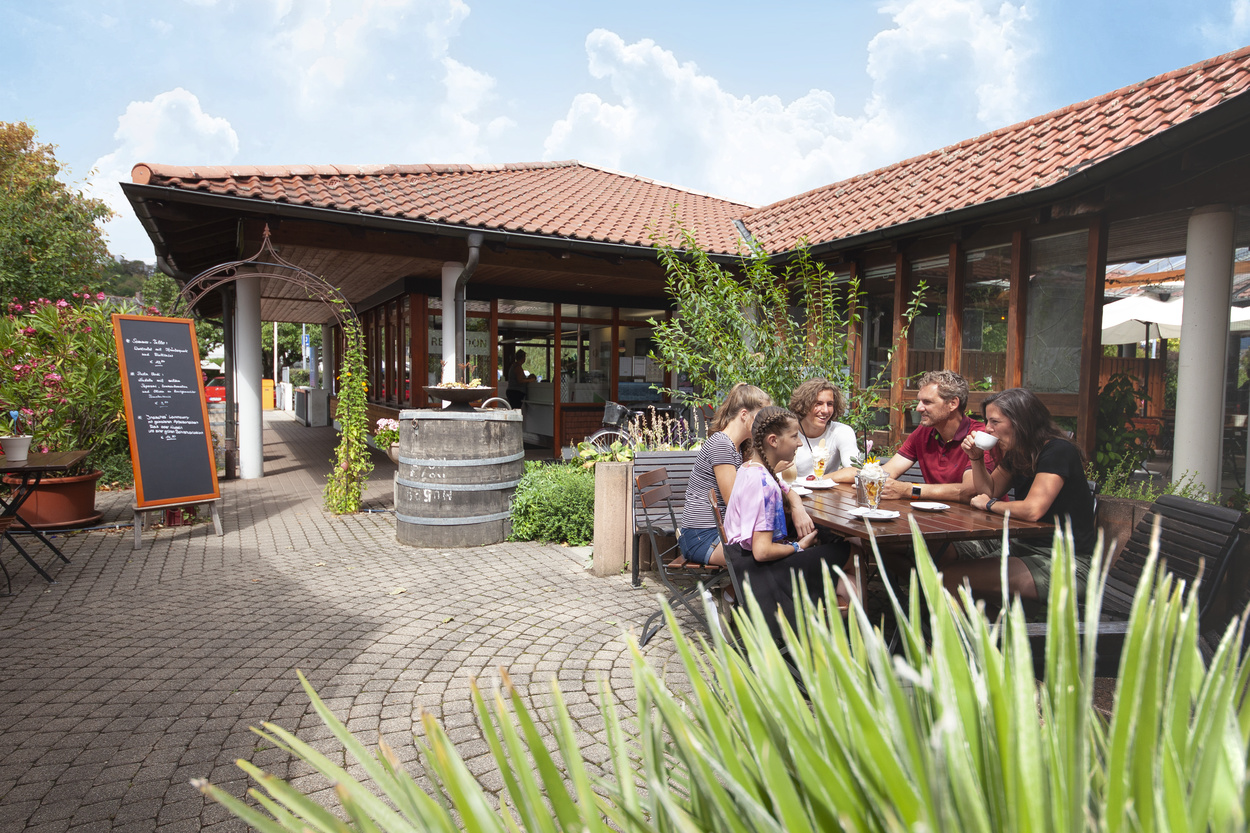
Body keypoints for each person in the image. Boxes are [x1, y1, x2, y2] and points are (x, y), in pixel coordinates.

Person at [944, 387, 1095, 603]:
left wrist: (990, 505)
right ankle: (988, 623)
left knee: (952, 577)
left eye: (995, 422)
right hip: (1024, 548)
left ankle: (971, 626)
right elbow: (989, 490)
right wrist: (976, 458)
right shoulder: (1019, 453)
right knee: (945, 569)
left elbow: (1032, 510)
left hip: (1066, 562)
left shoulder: (1058, 451)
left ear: (1021, 422)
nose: (987, 428)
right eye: (987, 421)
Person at [722, 406, 852, 638]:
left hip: (743, 565)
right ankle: (848, 638)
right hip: (762, 574)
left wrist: (796, 504)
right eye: (794, 436)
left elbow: (784, 488)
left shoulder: (748, 469)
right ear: (773, 440)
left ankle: (841, 634)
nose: (799, 443)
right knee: (849, 550)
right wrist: (798, 546)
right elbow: (762, 551)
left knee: (843, 566)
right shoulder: (765, 486)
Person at [678, 384, 816, 566]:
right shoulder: (721, 445)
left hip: (721, 532)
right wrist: (771, 471)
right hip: (703, 537)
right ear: (744, 415)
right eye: (761, 416)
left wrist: (796, 506)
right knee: (776, 556)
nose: (766, 423)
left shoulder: (737, 446)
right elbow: (734, 500)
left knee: (780, 547)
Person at [879, 370, 993, 503]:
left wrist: (908, 490)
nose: (918, 408)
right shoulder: (923, 432)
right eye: (919, 401)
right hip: (936, 513)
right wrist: (863, 474)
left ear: (953, 404)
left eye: (927, 402)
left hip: (983, 515)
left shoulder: (979, 436)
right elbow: (885, 473)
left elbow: (969, 491)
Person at [786, 378, 860, 482]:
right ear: (803, 405)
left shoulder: (841, 431)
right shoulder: (787, 432)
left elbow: (856, 471)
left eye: (830, 404)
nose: (825, 410)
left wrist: (816, 481)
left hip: (826, 491)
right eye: (818, 403)